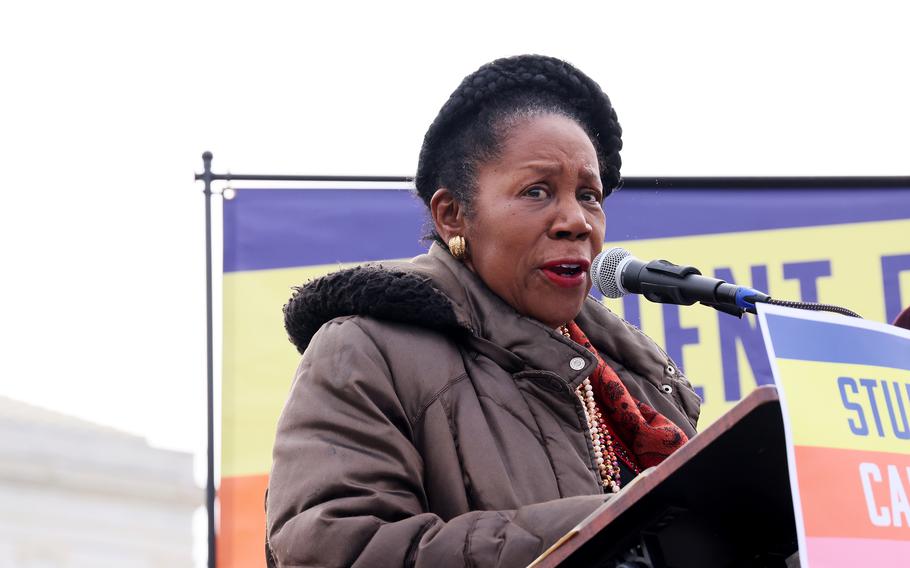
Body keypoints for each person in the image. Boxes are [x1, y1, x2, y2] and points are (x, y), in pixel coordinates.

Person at [266, 54, 701, 567]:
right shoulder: (365, 350)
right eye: (537, 191)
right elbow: (335, 549)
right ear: (452, 216)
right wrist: (604, 531)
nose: (576, 221)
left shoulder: (641, 383)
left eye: (589, 195)